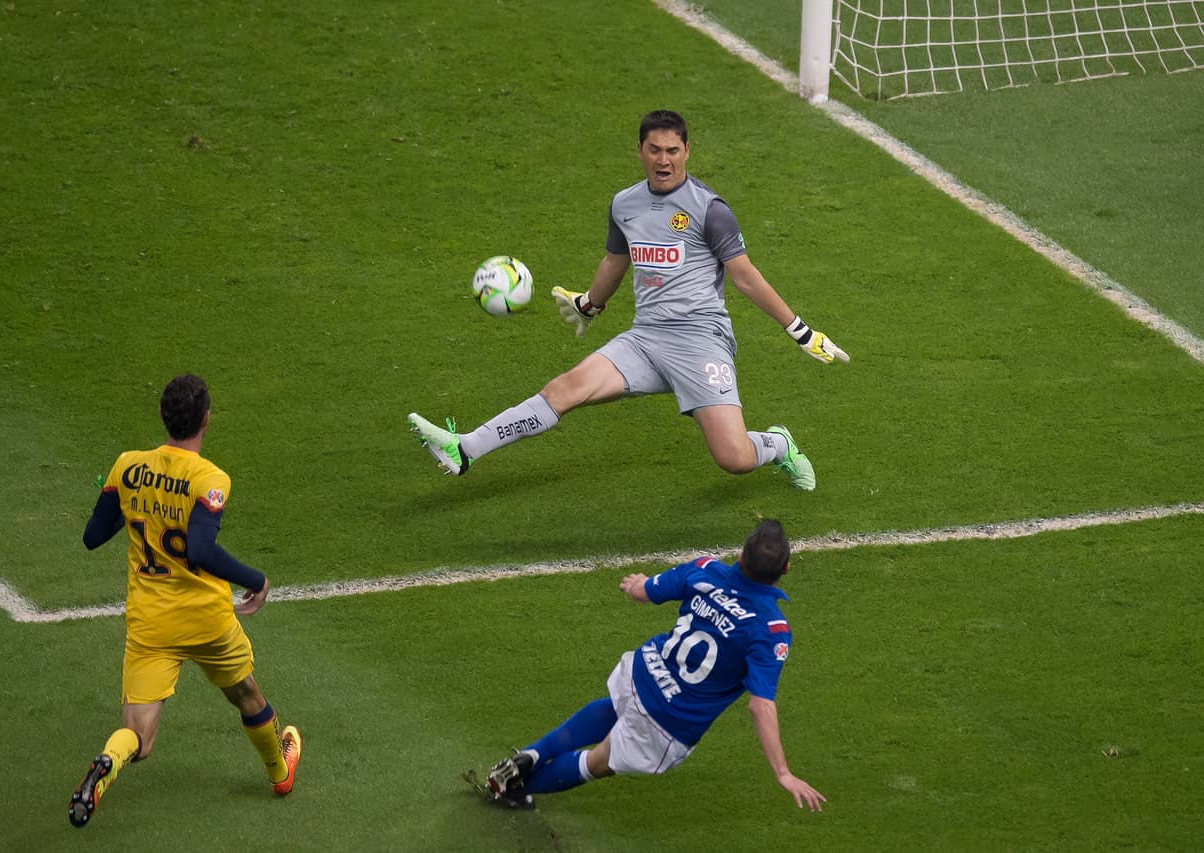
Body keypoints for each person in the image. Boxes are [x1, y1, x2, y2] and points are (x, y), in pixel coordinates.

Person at [409, 109, 848, 489]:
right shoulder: (625, 204)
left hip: (700, 341)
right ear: (640, 150)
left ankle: (778, 444)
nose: (663, 160)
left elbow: (746, 278)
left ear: (687, 152)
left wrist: (800, 331)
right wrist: (590, 304)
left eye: (672, 151)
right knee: (564, 389)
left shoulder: (710, 209)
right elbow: (615, 261)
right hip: (645, 339)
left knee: (733, 458)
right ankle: (465, 447)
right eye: (655, 150)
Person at [68, 374, 302, 828]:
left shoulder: (127, 466)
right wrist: (256, 578)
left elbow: (93, 537)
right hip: (207, 620)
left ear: (162, 416)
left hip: (150, 623)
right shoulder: (210, 479)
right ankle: (279, 772)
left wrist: (135, 507)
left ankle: (108, 762)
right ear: (207, 420)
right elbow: (199, 550)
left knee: (139, 735)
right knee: (245, 693)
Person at [478, 518, 825, 812]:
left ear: (740, 555)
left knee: (615, 709)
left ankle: (533, 753)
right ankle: (511, 787)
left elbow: (646, 591)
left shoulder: (705, 569)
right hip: (669, 719)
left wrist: (635, 584)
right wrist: (782, 773)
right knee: (599, 762)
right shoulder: (770, 629)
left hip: (644, 670)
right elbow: (760, 705)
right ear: (786, 570)